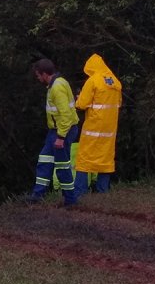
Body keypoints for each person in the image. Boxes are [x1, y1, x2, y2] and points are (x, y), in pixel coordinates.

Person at [27, 59, 79, 206]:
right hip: (56, 131)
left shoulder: (56, 87)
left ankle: (70, 200)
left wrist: (61, 137)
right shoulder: (59, 83)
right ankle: (38, 195)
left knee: (62, 166)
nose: (37, 78)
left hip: (63, 131)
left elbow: (66, 115)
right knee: (44, 160)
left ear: (44, 74)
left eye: (38, 75)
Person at [74, 54, 122, 196]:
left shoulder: (93, 81)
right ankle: (103, 191)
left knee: (84, 158)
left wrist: (77, 100)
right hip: (110, 129)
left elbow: (82, 104)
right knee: (106, 158)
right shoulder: (115, 82)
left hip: (93, 128)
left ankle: (80, 191)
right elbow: (118, 104)